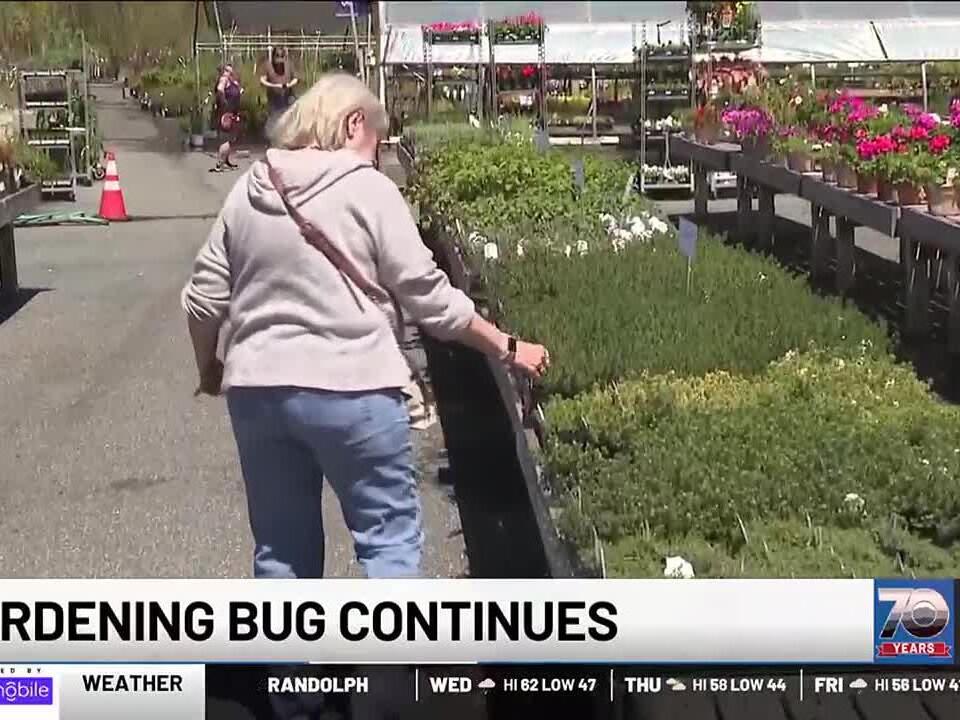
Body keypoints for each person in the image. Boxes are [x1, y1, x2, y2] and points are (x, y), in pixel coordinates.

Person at [181, 72, 549, 580]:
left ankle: (284, 661)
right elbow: (429, 298)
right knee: (387, 542)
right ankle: (389, 660)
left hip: (258, 393)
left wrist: (210, 366)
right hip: (353, 390)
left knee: (281, 550)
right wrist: (506, 346)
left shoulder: (251, 186)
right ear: (354, 123)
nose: (377, 154)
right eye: (376, 140)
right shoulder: (366, 188)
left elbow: (202, 300)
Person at [260, 46, 298, 139]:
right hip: (274, 97)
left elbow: (296, 79)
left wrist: (289, 85)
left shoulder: (289, 65)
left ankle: (289, 136)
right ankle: (274, 137)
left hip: (288, 95)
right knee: (275, 117)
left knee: (289, 116)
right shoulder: (268, 66)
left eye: (281, 57)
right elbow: (262, 79)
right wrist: (274, 86)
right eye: (277, 57)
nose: (279, 60)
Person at [211, 64, 242, 172]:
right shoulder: (223, 80)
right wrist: (223, 101)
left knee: (232, 137)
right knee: (227, 138)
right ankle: (219, 163)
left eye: (230, 71)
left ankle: (226, 161)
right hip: (226, 112)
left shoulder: (232, 81)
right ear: (223, 71)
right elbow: (220, 89)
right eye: (227, 71)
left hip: (233, 112)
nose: (229, 73)